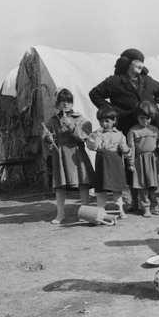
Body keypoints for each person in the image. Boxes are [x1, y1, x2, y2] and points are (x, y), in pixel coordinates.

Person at [89, 48, 159, 212]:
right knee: (131, 162)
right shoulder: (115, 81)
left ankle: (153, 202)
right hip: (128, 128)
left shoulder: (147, 80)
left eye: (142, 62)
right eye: (137, 61)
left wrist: (157, 104)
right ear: (127, 62)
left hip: (148, 129)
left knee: (151, 162)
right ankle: (135, 201)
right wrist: (113, 112)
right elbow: (94, 93)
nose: (141, 65)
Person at [42, 88, 94, 224]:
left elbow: (84, 136)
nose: (66, 104)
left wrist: (71, 126)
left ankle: (86, 213)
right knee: (60, 185)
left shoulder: (80, 119)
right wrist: (48, 138)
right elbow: (45, 136)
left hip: (77, 155)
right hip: (60, 156)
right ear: (57, 103)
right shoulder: (53, 120)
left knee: (83, 183)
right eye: (62, 101)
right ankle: (60, 214)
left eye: (69, 101)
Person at [86, 106, 130, 218]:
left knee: (117, 188)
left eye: (107, 121)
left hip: (115, 162)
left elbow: (123, 148)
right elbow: (92, 146)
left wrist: (127, 151)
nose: (104, 124)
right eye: (101, 121)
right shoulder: (96, 134)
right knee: (101, 188)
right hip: (102, 162)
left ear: (114, 120)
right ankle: (100, 210)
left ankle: (120, 209)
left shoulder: (119, 134)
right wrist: (97, 138)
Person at [127, 101, 159, 218]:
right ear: (137, 117)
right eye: (142, 118)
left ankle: (155, 206)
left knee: (154, 185)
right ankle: (145, 207)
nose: (145, 121)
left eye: (148, 118)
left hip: (154, 160)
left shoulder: (154, 129)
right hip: (140, 161)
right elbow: (131, 148)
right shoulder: (133, 131)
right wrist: (131, 163)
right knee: (142, 186)